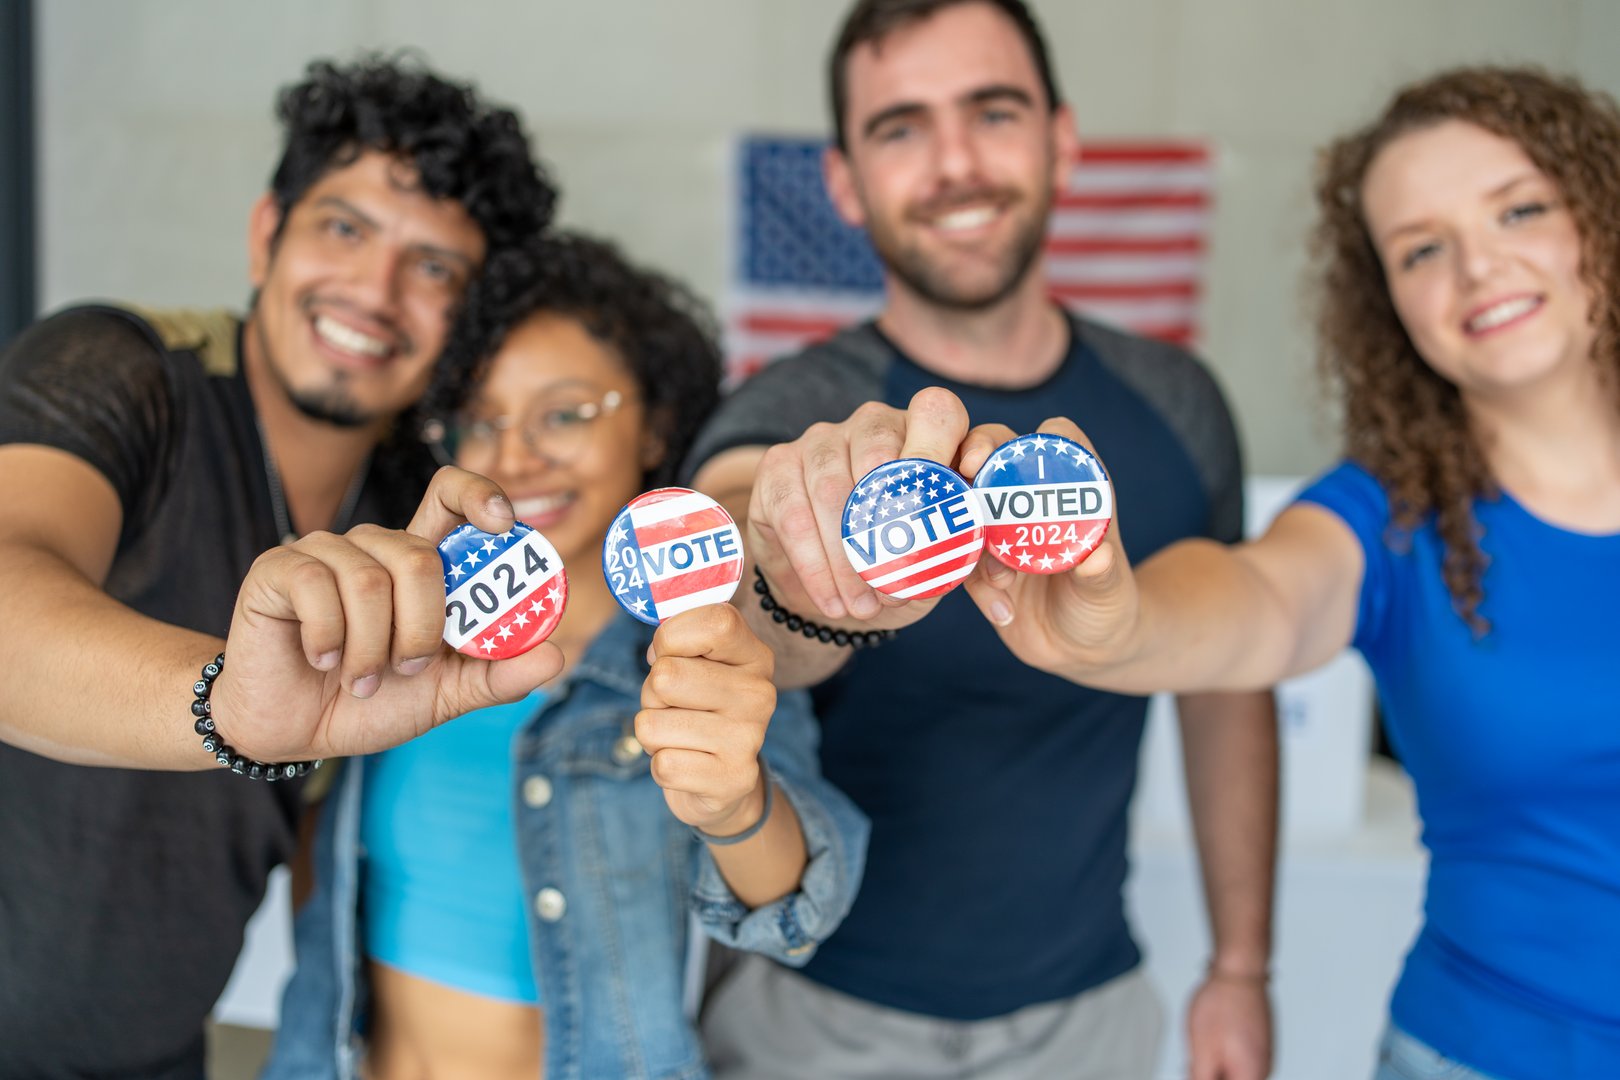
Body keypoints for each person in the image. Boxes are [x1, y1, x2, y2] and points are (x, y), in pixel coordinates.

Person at [960, 66, 1620, 1080]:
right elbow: (1257, 600)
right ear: (1388, 301)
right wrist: (1121, 621)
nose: (1478, 268)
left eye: (1519, 209)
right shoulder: (1389, 518)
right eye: (1422, 249)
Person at [686, 2, 1278, 1077]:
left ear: (1062, 139)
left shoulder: (1180, 404)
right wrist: (802, 579)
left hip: (1089, 1016)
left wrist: (1242, 964)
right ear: (845, 183)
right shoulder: (795, 407)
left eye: (992, 112)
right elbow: (735, 578)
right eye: (901, 127)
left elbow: (1226, 687)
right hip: (807, 1008)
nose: (955, 163)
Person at [0, 57, 559, 1077]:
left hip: (159, 1052)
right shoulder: (127, 373)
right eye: (344, 228)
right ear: (268, 234)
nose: (375, 292)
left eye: (433, 267)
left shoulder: (422, 508)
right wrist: (226, 707)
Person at [262, 233, 867, 1080]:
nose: (515, 457)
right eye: (482, 420)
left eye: (565, 413)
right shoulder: (405, 624)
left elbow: (800, 904)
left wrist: (736, 804)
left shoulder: (711, 641)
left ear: (655, 426)